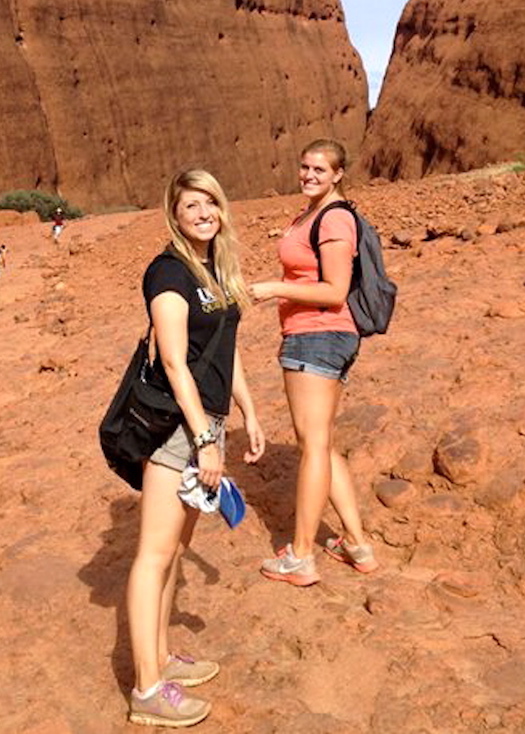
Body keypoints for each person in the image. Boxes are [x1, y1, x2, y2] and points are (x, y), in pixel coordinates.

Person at [125, 169, 264, 727]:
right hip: (177, 429)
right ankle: (146, 689)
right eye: (192, 205)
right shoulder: (168, 273)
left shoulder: (213, 270)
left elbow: (223, 354)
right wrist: (205, 440)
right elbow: (177, 362)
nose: (204, 212)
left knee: (175, 551)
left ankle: (160, 658)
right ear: (175, 215)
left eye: (211, 202)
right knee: (153, 555)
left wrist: (249, 412)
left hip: (208, 420)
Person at [251, 139, 378, 587]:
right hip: (312, 336)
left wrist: (273, 289)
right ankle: (357, 544)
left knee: (313, 446)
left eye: (320, 170)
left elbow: (334, 290)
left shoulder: (336, 218)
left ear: (338, 174)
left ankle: (301, 556)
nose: (309, 175)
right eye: (305, 167)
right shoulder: (310, 213)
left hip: (318, 336)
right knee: (321, 444)